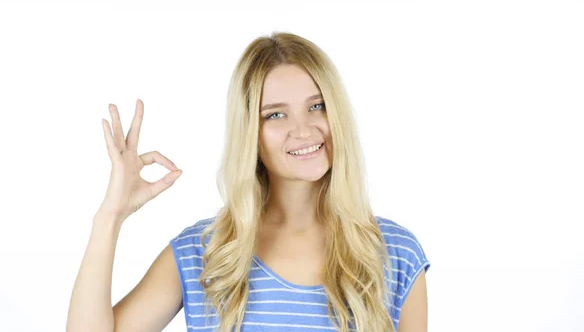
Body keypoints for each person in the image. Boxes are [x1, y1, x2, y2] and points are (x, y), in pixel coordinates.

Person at [66, 32, 430, 332]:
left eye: (316, 106)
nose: (302, 129)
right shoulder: (204, 253)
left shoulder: (395, 254)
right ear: (250, 134)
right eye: (275, 114)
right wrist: (109, 216)